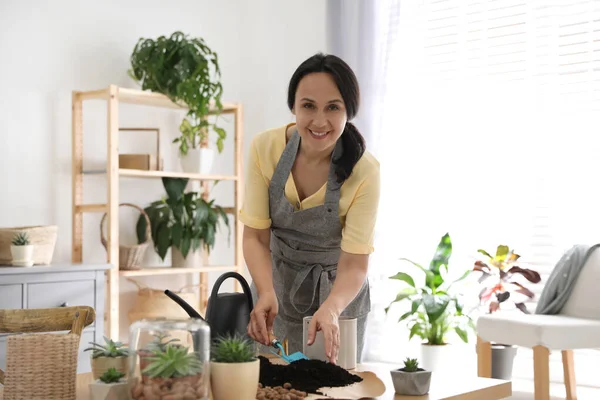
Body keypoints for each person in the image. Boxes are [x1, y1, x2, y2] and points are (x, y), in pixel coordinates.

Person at [239, 53, 380, 364]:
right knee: (269, 389)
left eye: (333, 107)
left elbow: (355, 263)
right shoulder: (265, 149)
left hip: (338, 301)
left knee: (334, 391)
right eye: (308, 106)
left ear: (349, 111)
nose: (319, 121)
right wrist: (264, 291)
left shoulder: (364, 171)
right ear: (293, 107)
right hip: (274, 290)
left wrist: (331, 307)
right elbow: (256, 237)